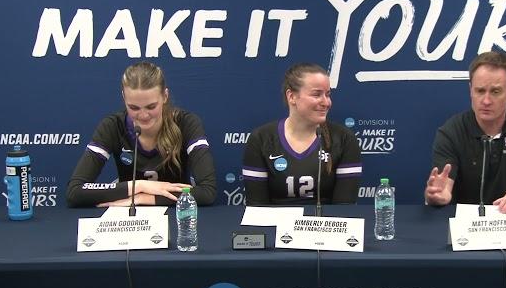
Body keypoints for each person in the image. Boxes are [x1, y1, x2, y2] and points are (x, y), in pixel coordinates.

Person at [66, 61, 217, 207]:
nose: (143, 115)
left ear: (165, 96)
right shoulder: (113, 126)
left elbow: (207, 191)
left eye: (151, 106)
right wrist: (139, 186)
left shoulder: (186, 123)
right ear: (124, 98)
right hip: (128, 220)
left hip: (177, 216)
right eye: (134, 108)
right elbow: (75, 191)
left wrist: (143, 198)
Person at [424, 50, 506, 214]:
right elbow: (444, 188)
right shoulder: (451, 132)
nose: (485, 101)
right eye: (480, 91)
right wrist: (437, 196)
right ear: (471, 90)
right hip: (465, 228)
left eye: (495, 92)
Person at [242, 63, 362, 206]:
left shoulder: (344, 139)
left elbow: (344, 210)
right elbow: (257, 209)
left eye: (328, 94)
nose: (326, 102)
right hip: (276, 227)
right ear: (291, 96)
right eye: (317, 94)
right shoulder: (261, 139)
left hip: (325, 227)